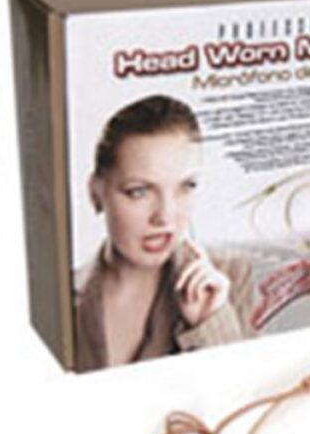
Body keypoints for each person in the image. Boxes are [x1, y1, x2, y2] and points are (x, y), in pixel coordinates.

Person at [74, 95, 254, 371]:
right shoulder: (62, 298)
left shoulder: (230, 277)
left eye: (186, 186)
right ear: (96, 192)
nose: (166, 216)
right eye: (139, 191)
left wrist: (209, 323)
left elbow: (250, 387)